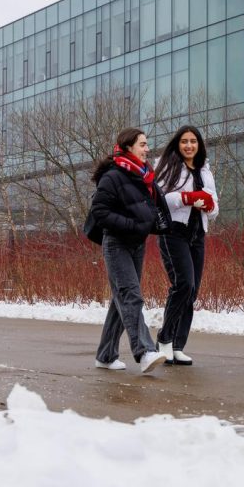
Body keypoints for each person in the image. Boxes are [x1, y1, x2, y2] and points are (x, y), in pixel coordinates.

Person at [89, 127, 170, 374]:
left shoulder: (143, 176)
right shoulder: (112, 176)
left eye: (147, 144)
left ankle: (105, 355)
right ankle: (145, 351)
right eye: (142, 144)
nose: (147, 149)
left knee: (120, 298)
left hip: (136, 243)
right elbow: (99, 212)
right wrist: (131, 225)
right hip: (116, 243)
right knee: (130, 295)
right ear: (128, 147)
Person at [153, 125, 218, 366]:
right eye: (184, 141)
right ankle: (164, 339)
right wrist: (188, 198)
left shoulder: (205, 172)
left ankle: (178, 345)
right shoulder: (169, 166)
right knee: (183, 284)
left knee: (192, 292)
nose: (189, 145)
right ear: (177, 144)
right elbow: (160, 199)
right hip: (174, 233)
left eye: (193, 141)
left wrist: (209, 206)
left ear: (199, 145)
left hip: (197, 234)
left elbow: (214, 209)